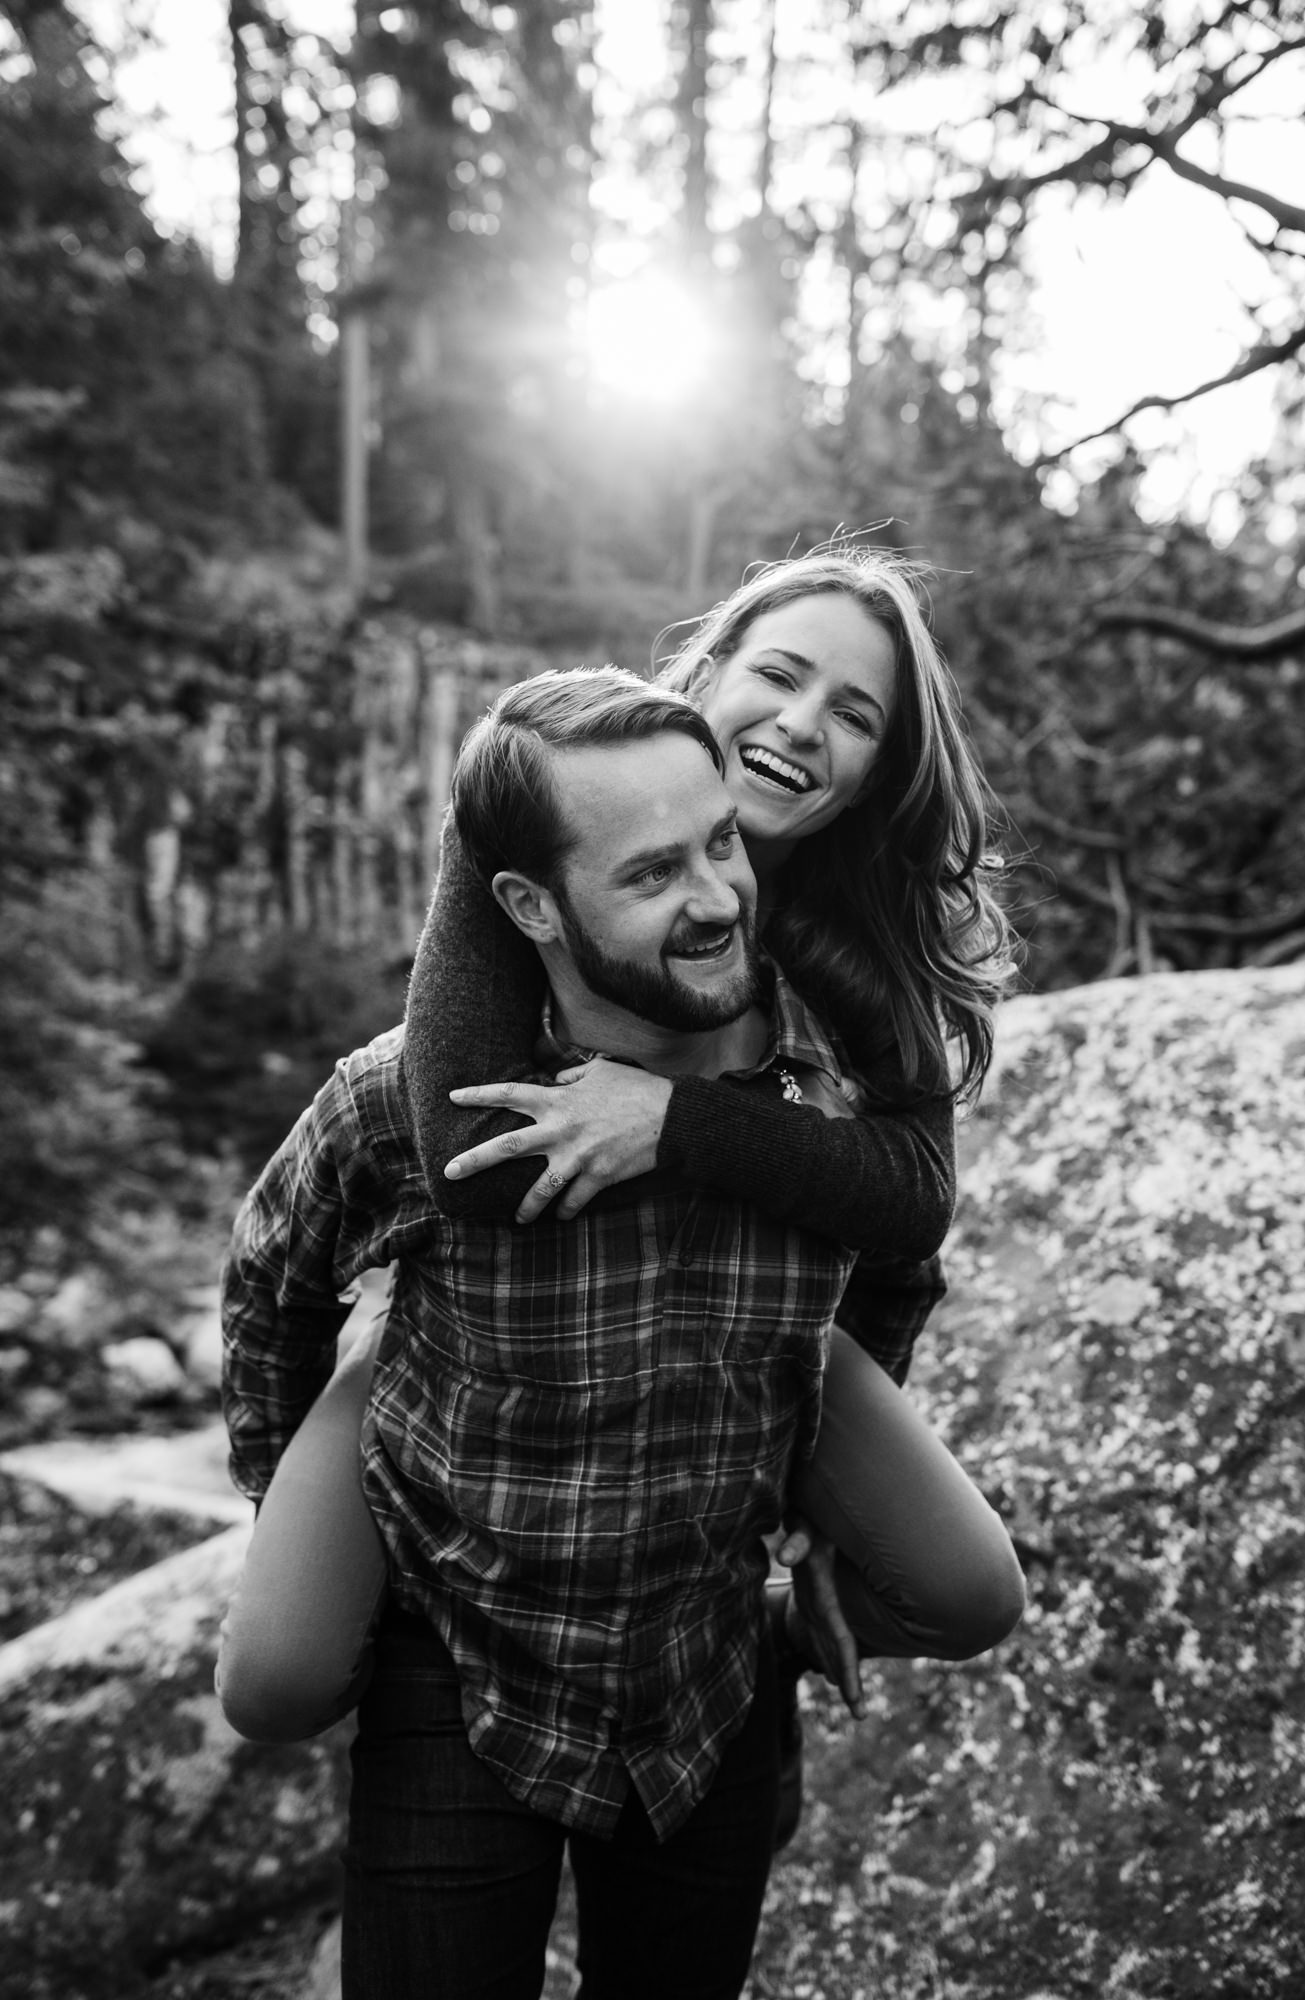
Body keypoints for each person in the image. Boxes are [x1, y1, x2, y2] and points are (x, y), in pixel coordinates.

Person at [219, 549, 1025, 1818]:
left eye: (856, 714)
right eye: (777, 674)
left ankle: (757, 1634)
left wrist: (679, 1124)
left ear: (880, 768)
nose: (803, 726)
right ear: (699, 679)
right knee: (272, 1677)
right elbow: (455, 1159)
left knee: (976, 1587)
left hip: (758, 1328)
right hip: (478, 1330)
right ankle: (419, 1572)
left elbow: (909, 1210)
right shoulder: (552, 813)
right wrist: (290, 1489)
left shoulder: (859, 942)